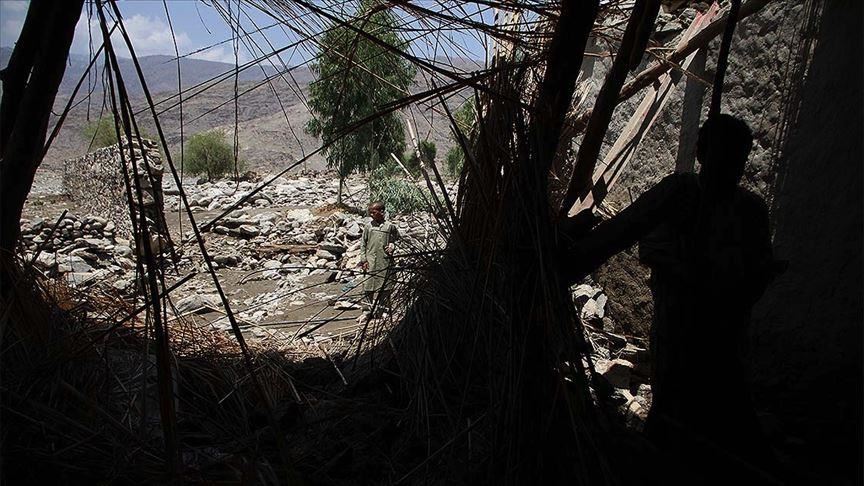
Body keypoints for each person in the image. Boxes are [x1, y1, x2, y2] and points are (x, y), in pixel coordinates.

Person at [564, 114, 780, 482]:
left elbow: (759, 269)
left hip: (725, 335)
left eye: (737, 159)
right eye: (723, 157)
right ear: (702, 154)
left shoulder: (750, 211)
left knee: (721, 413)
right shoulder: (681, 196)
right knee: (673, 411)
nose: (731, 168)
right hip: (678, 328)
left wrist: (739, 284)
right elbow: (638, 240)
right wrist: (694, 274)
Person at [359, 201, 399, 318]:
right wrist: (363, 260)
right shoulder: (368, 227)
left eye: (374, 212)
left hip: (384, 261)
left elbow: (397, 239)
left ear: (382, 212)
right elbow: (363, 244)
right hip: (370, 261)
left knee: (385, 287)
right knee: (368, 286)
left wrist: (392, 246)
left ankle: (383, 310)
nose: (371, 215)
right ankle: (366, 311)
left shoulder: (389, 226)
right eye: (370, 212)